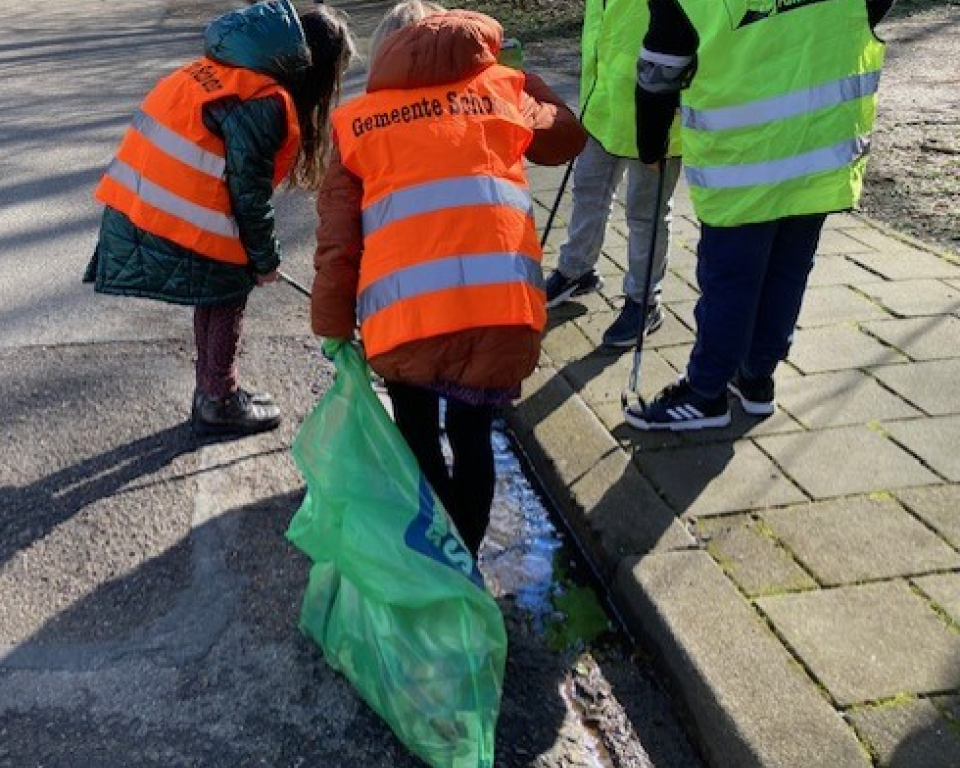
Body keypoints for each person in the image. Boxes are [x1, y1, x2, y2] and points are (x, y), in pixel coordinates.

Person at [310, 2, 586, 556]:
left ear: (387, 51)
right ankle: (469, 553)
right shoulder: (503, 91)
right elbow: (568, 138)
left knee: (418, 442)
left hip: (407, 322)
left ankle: (442, 559)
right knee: (472, 435)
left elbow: (339, 245)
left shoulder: (358, 122)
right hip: (501, 315)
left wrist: (334, 326)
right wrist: (521, 76)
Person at [84, 0, 356, 437]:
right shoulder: (263, 102)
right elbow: (248, 199)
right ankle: (219, 400)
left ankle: (211, 390)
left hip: (146, 203)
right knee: (230, 287)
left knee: (217, 289)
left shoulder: (223, 73)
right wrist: (264, 261)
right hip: (179, 212)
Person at [626, 0, 892, 430]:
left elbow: (659, 72)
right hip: (819, 152)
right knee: (788, 269)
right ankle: (756, 378)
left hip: (741, 163)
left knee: (731, 279)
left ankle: (705, 393)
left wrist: (651, 143)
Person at [543, 0, 682, 349]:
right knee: (588, 189)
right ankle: (577, 270)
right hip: (603, 107)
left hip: (655, 116)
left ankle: (644, 301)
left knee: (645, 214)